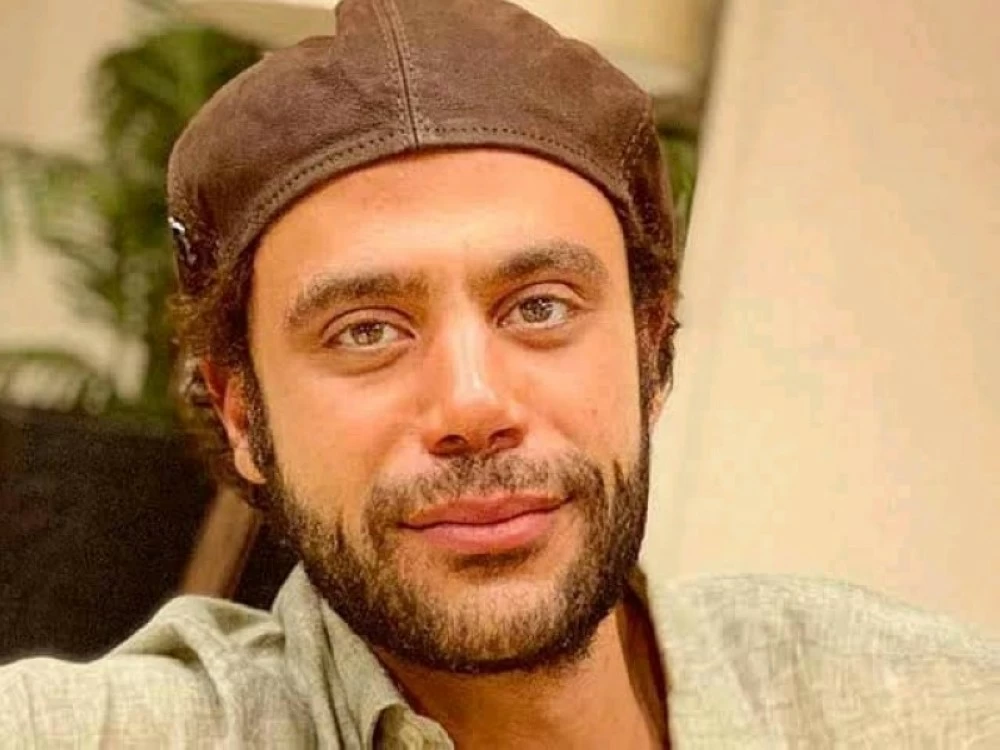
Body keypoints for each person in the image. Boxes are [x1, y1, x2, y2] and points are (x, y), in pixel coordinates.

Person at [2, 0, 998, 746]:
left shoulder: (922, 707)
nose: (473, 404)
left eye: (540, 308)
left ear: (651, 351)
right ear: (242, 418)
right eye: (365, 330)